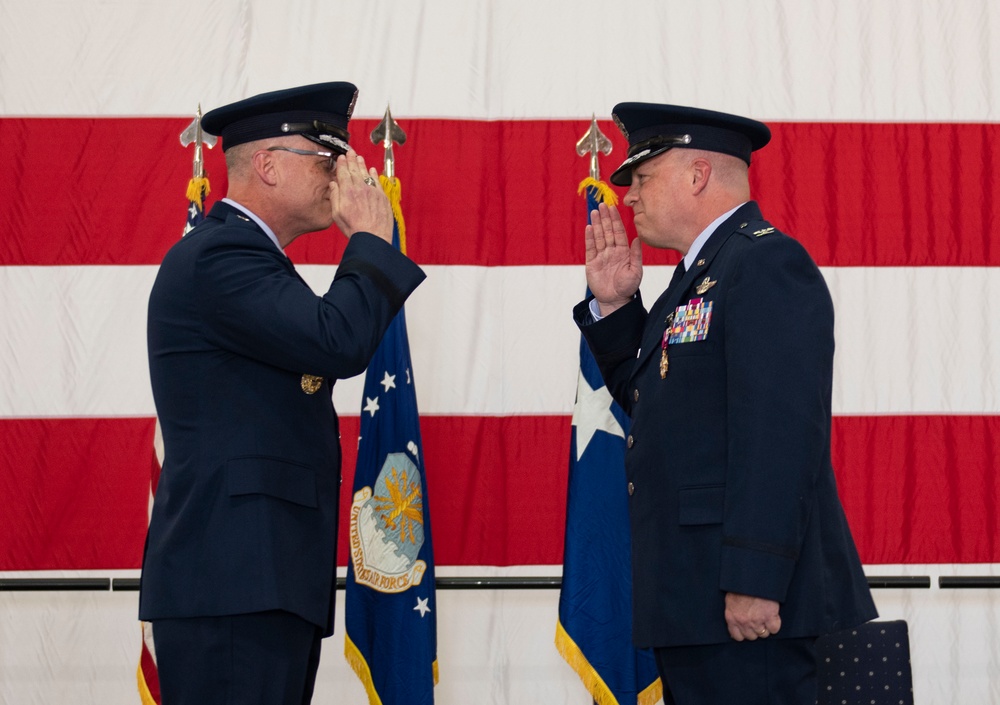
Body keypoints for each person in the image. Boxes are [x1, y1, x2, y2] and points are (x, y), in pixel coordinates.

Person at [574, 103, 877, 704]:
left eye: (642, 176)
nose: (627, 196)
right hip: (698, 598)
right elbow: (656, 407)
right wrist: (615, 309)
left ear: (697, 174)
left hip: (753, 608)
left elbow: (781, 436)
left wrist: (755, 579)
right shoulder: (700, 275)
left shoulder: (764, 263)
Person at [139, 82, 426, 705]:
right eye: (325, 160)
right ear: (266, 165)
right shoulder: (221, 257)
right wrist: (372, 242)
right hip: (232, 580)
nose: (340, 175)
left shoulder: (251, 261)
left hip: (258, 580)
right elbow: (336, 340)